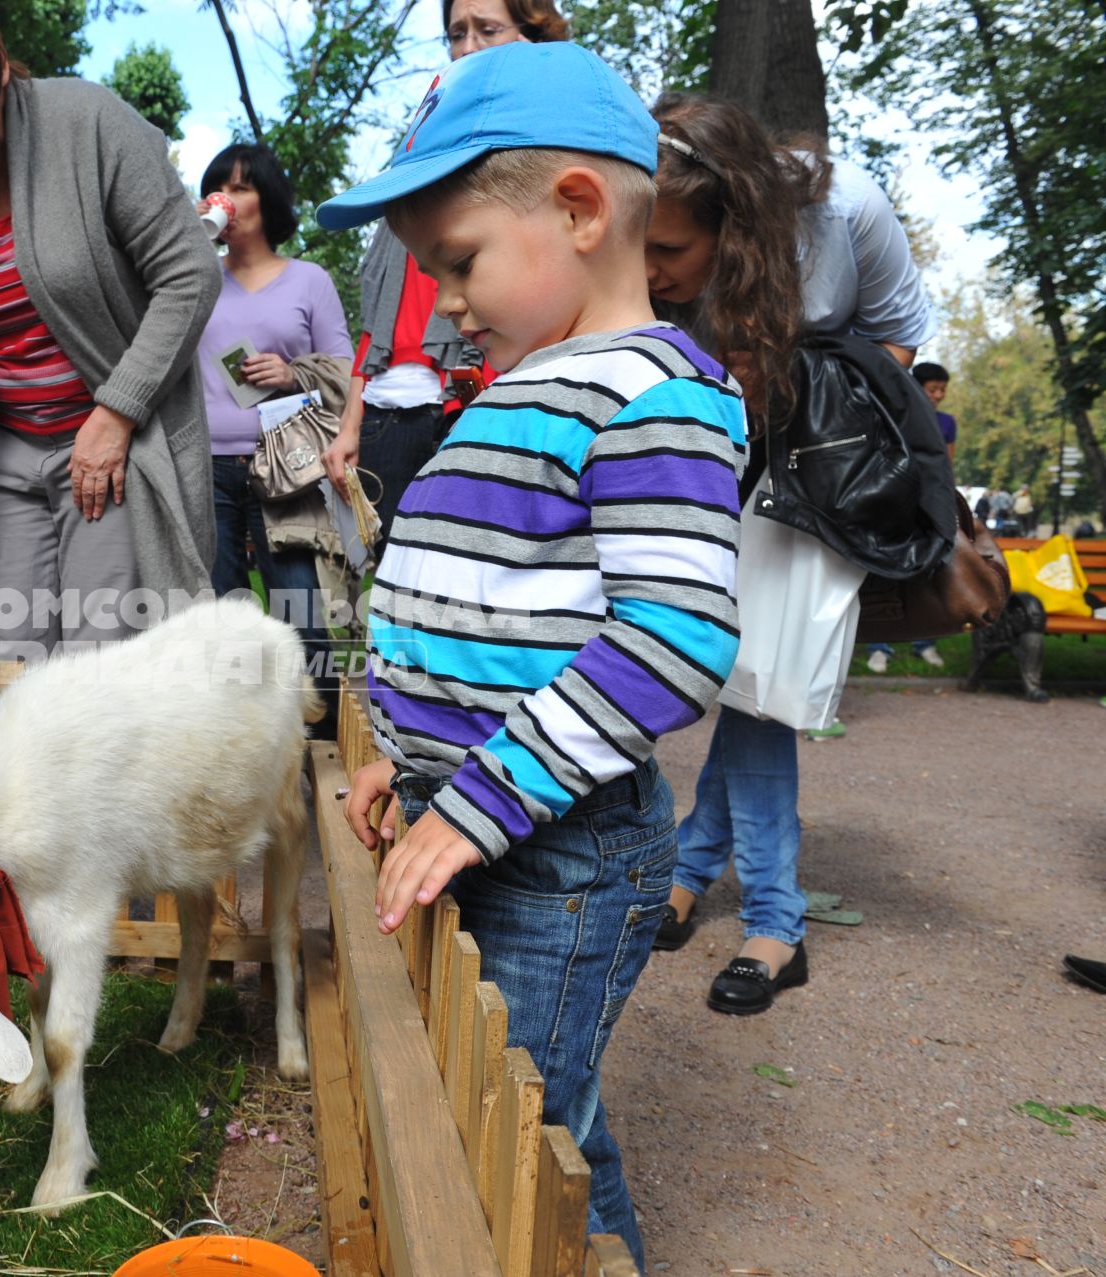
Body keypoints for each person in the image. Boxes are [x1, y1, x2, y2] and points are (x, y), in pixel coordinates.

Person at [323, 44, 746, 1266]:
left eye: (460, 263)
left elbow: (672, 638)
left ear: (577, 207)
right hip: (488, 815)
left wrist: (479, 803)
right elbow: (473, 607)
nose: (448, 301)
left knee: (519, 1135)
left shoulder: (653, 391)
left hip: (563, 850)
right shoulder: (525, 381)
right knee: (532, 1113)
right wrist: (402, 763)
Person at [644, 93, 936, 1011]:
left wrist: (801, 390)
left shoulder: (846, 211)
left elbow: (901, 335)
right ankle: (694, 866)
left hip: (816, 471)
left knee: (762, 690)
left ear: (737, 228)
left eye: (670, 253)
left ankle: (777, 922)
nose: (650, 272)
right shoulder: (651, 236)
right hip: (723, 467)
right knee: (748, 679)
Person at [0, 0, 217, 668]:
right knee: (12, 668)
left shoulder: (88, 124)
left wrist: (116, 412)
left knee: (100, 665)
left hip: (106, 453)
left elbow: (190, 274)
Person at [322, 0, 569, 543]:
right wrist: (350, 424)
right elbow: (376, 321)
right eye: (457, 33)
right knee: (399, 563)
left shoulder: (559, 145)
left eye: (488, 29)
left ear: (534, 36)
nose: (469, 46)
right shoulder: (418, 167)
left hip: (494, 395)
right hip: (395, 405)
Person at [195, 142, 352, 732]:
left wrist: (292, 373)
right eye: (218, 187)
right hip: (206, 467)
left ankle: (323, 740)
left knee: (299, 612)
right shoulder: (195, 278)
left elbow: (345, 374)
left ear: (269, 197)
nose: (227, 199)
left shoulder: (308, 279)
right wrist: (190, 243)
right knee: (219, 613)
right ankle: (237, 736)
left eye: (241, 186)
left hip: (287, 466)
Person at [864, 361, 957, 670]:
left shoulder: (946, 423)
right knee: (882, 571)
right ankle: (879, 646)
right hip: (893, 500)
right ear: (916, 387)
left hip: (928, 504)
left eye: (943, 390)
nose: (939, 395)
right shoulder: (892, 415)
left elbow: (947, 466)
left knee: (931, 571)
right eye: (933, 389)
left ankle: (925, 641)